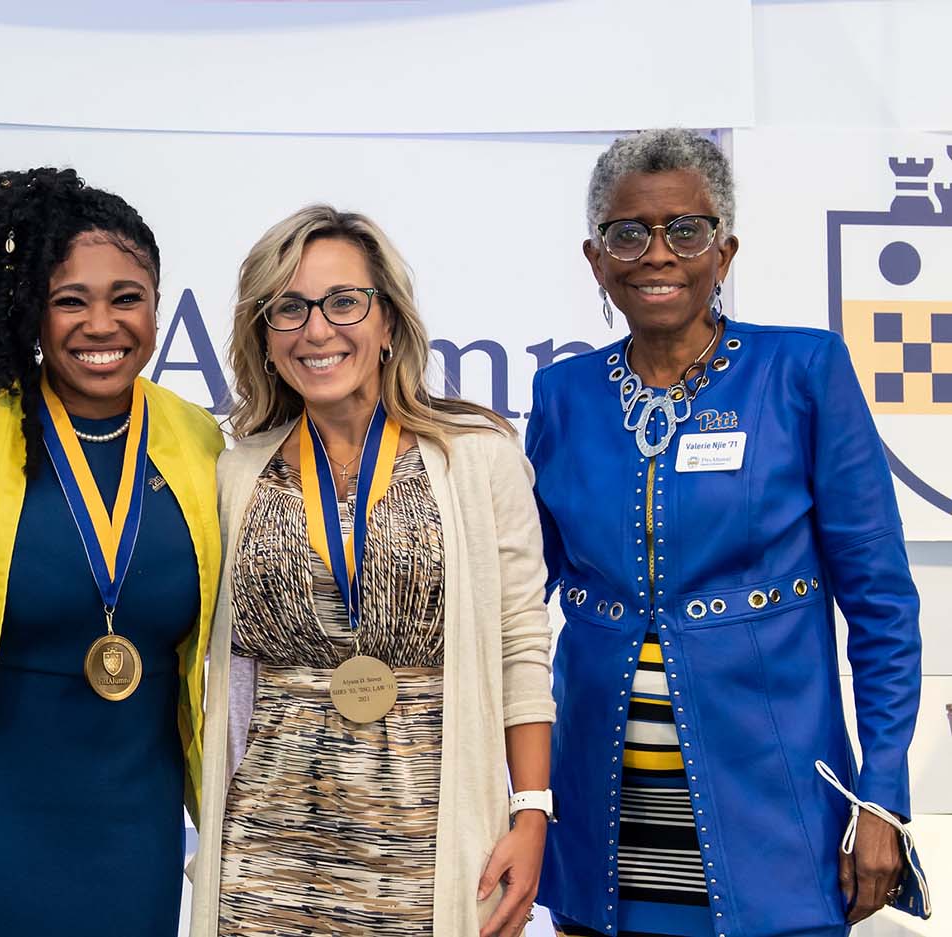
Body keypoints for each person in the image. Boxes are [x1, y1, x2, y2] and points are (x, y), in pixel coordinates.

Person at [528, 128, 922, 937]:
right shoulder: (562, 394)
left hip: (773, 817)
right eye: (628, 233)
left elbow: (882, 606)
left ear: (725, 250)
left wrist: (882, 794)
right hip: (603, 820)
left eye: (687, 229)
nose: (657, 254)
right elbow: (516, 600)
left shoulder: (803, 372)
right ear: (596, 259)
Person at [0, 168, 223, 935]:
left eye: (126, 296)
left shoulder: (199, 442)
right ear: (32, 309)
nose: (102, 324)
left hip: (136, 816)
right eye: (71, 300)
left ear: (157, 305)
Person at [189, 205, 555, 937]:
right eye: (287, 308)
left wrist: (532, 808)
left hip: (432, 839)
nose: (316, 330)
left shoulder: (478, 455)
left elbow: (521, 640)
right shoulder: (234, 473)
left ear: (388, 321)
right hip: (265, 847)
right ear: (264, 336)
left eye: (343, 302)